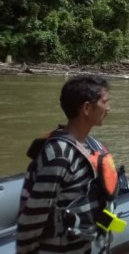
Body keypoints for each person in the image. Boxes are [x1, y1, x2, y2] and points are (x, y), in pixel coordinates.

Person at [16, 74, 117, 254]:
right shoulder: (59, 153)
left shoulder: (89, 145)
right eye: (105, 102)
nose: (109, 108)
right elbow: (33, 217)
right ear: (87, 108)